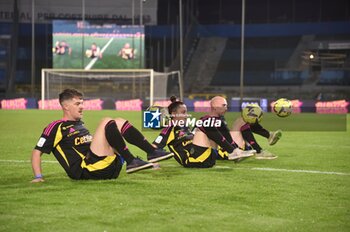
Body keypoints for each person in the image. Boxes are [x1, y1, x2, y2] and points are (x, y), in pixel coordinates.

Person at [31, 89, 173, 183]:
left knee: (118, 121)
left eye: (82, 103)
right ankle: (131, 161)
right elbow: (37, 152)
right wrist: (38, 177)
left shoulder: (80, 124)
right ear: (65, 106)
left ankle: (151, 153)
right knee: (106, 121)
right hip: (86, 170)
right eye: (77, 104)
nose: (82, 106)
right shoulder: (56, 127)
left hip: (107, 168)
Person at [152, 96, 254, 168]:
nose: (186, 115)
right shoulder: (170, 129)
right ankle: (232, 151)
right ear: (174, 114)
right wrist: (153, 163)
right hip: (192, 159)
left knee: (214, 121)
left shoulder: (186, 127)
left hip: (207, 157)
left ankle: (234, 150)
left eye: (186, 112)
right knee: (205, 123)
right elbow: (154, 148)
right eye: (183, 112)